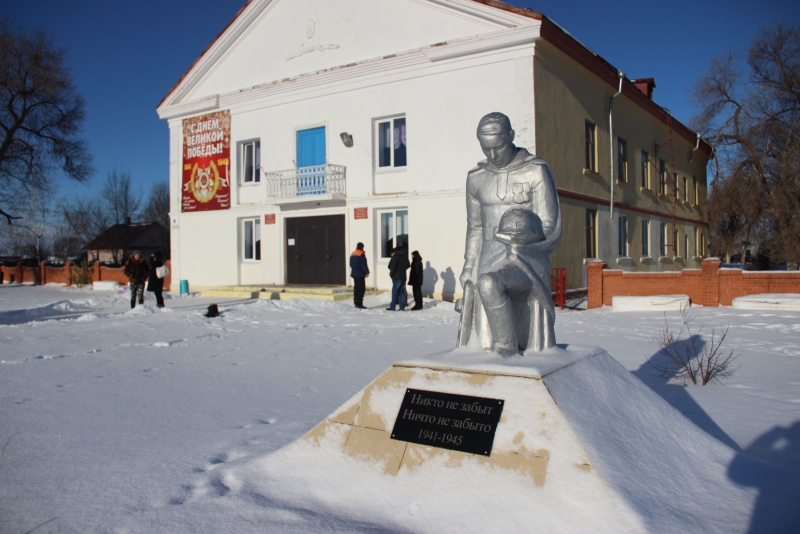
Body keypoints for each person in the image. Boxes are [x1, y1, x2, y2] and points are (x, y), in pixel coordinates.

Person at [459, 112, 562, 355]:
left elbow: (551, 226)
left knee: (490, 284)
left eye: (498, 147)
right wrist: (468, 266)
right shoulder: (476, 178)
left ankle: (508, 350)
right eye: (486, 149)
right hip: (487, 255)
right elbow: (474, 227)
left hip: (525, 258)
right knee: (482, 339)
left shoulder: (536, 171)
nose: (492, 156)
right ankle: (496, 358)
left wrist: (523, 246)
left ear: (512, 137)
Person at [349, 242, 370, 309]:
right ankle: (359, 303)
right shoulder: (361, 254)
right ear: (362, 247)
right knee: (361, 289)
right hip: (360, 274)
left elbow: (351, 264)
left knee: (356, 288)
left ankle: (356, 302)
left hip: (354, 273)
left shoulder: (353, 253)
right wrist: (366, 272)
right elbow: (363, 264)